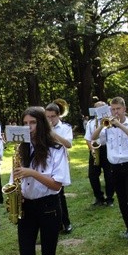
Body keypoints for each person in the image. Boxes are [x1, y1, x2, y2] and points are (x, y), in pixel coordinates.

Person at [13, 107, 70, 255]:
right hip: (26, 206)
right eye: (25, 123)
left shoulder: (57, 149)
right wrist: (14, 190)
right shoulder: (21, 149)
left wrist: (32, 173)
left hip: (49, 206)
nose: (29, 127)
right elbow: (15, 177)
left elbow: (56, 185)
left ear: (42, 124)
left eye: (33, 123)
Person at [91, 97, 128, 243]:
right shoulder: (107, 129)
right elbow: (93, 138)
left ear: (124, 109)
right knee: (121, 199)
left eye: (118, 109)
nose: (115, 112)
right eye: (113, 109)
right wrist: (102, 125)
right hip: (114, 167)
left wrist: (119, 125)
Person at [46, 100, 74, 234]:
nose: (50, 119)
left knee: (60, 194)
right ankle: (53, 224)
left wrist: (53, 133)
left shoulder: (65, 128)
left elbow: (68, 144)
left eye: (53, 116)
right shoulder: (42, 127)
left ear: (58, 116)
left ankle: (65, 222)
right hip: (45, 162)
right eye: (48, 117)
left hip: (59, 162)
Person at [84, 101, 114, 206]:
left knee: (109, 174)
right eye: (98, 108)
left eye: (103, 108)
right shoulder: (90, 123)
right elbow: (88, 138)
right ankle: (99, 197)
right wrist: (92, 149)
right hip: (95, 149)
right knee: (92, 175)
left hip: (107, 149)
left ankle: (110, 198)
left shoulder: (111, 121)